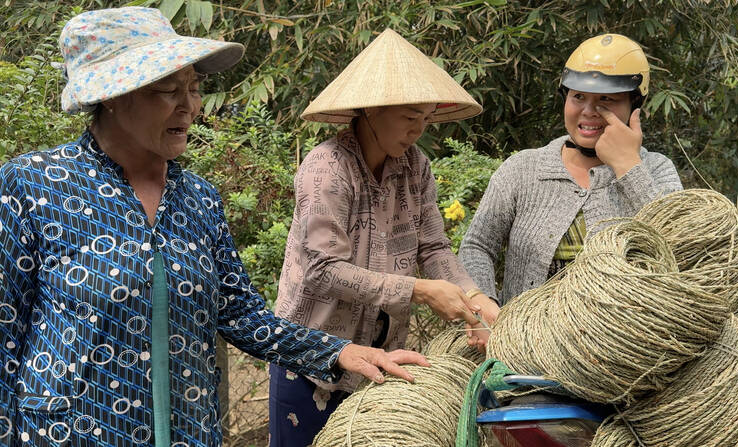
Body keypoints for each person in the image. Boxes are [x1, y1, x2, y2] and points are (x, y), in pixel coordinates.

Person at [0, 8, 426, 447]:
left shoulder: (198, 198)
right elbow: (5, 333)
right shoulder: (34, 185)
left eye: (195, 88)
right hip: (70, 433)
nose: (190, 106)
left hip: (189, 431)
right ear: (112, 94)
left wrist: (338, 352)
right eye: (168, 90)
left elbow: (238, 311)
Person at [272, 28, 484, 445]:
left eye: (425, 119)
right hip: (310, 358)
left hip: (380, 359)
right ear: (370, 111)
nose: (418, 131)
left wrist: (474, 299)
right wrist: (419, 290)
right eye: (409, 118)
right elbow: (323, 271)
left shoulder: (415, 167)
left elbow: (434, 246)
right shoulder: (326, 169)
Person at [459, 34, 684, 345]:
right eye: (578, 97)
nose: (590, 111)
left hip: (621, 355)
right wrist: (485, 304)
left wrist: (628, 167)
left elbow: (680, 253)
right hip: (522, 352)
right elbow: (477, 246)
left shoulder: (656, 170)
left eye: (607, 99)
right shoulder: (524, 169)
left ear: (635, 105)